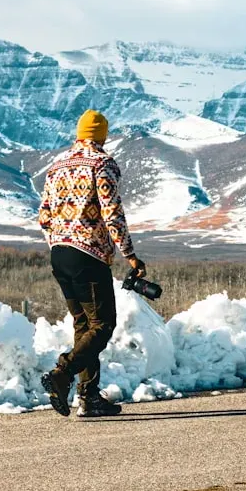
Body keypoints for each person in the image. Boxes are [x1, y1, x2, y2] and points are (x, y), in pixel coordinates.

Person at [37, 109, 147, 418]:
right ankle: (63, 373)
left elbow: (43, 216)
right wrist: (130, 254)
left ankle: (89, 397)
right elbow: (112, 213)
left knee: (84, 325)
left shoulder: (56, 166)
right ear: (102, 135)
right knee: (103, 324)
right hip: (89, 255)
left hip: (59, 254)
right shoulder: (103, 164)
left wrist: (61, 240)